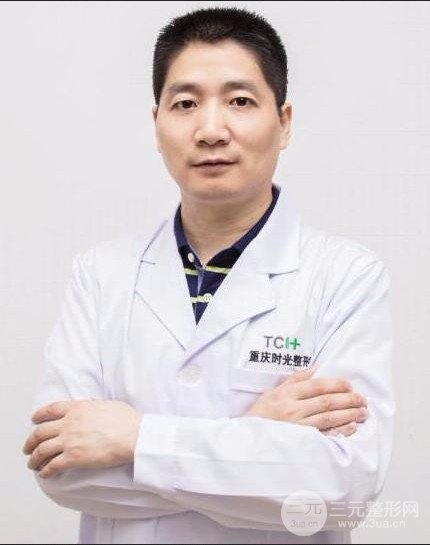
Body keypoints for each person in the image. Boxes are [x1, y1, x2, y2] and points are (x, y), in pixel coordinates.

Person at [23, 7, 395, 544]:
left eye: (240, 101)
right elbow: (62, 469)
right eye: (186, 103)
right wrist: (255, 439)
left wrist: (135, 438)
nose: (211, 130)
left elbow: (340, 490)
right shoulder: (100, 274)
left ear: (284, 122)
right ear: (157, 124)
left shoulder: (345, 277)